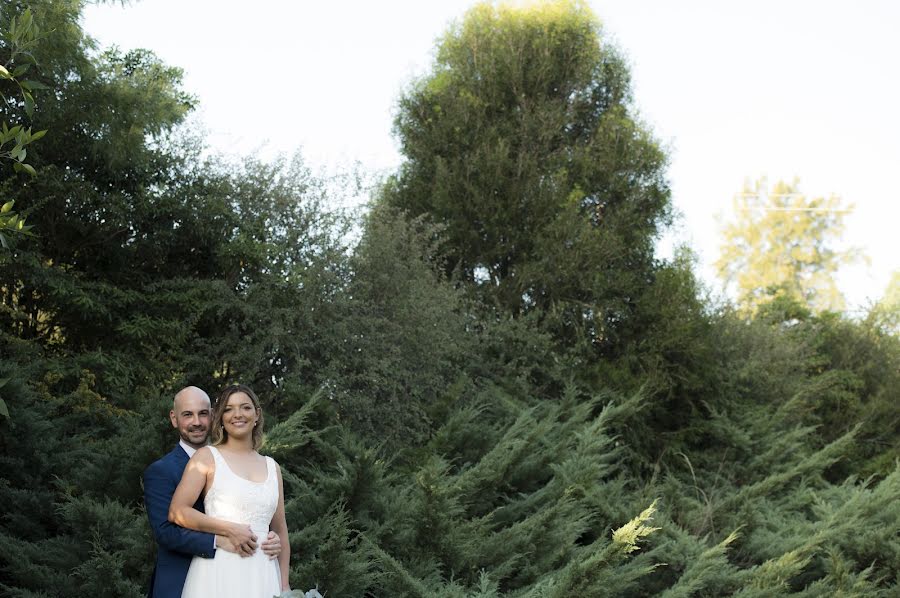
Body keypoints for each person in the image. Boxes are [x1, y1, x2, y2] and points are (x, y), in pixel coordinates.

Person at [143, 386, 282, 598]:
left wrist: (272, 539)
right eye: (187, 415)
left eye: (203, 413)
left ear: (213, 415)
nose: (197, 422)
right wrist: (219, 540)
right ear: (174, 418)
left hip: (254, 573)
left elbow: (265, 517)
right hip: (184, 580)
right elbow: (165, 531)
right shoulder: (161, 470)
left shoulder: (254, 463)